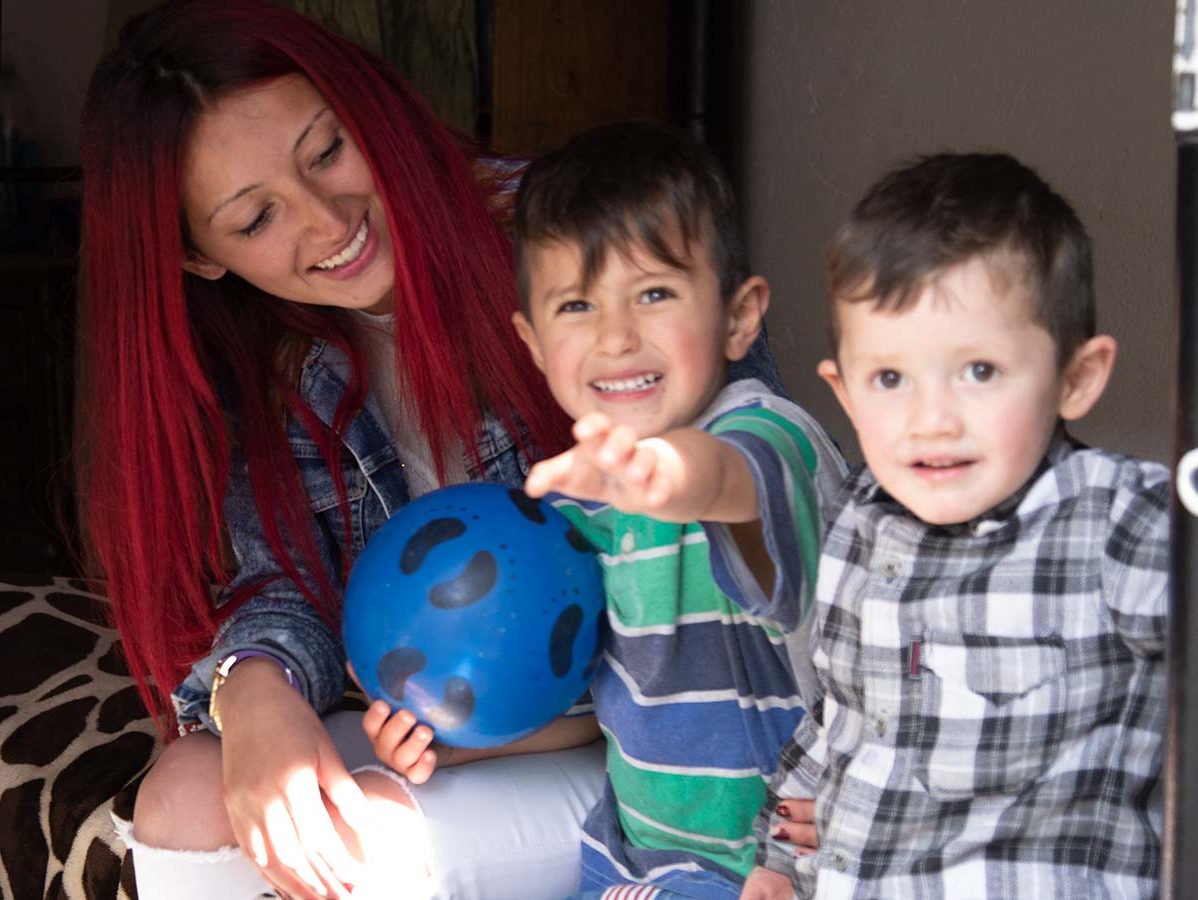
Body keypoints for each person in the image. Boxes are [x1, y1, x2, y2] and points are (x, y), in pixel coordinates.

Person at [74, 3, 786, 898]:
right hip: (439, 742)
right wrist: (251, 694)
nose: (329, 222)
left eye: (328, 152)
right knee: (183, 794)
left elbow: (737, 591)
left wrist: (483, 734)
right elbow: (283, 578)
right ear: (197, 258)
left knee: (361, 840)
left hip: (657, 772)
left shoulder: (593, 251)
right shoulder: (266, 357)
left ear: (367, 110)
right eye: (256, 219)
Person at [742, 152, 1170, 899]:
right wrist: (778, 861)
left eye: (978, 371)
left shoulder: (1114, 519)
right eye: (890, 378)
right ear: (844, 393)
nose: (930, 420)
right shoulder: (861, 525)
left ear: (1077, 377)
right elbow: (841, 721)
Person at [509, 120, 848, 899]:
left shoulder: (770, 436)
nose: (617, 336)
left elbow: (724, 477)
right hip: (632, 860)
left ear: (739, 316)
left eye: (654, 293)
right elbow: (591, 699)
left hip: (776, 871)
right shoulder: (586, 496)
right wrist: (447, 736)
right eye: (576, 307)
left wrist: (664, 476)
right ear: (532, 344)